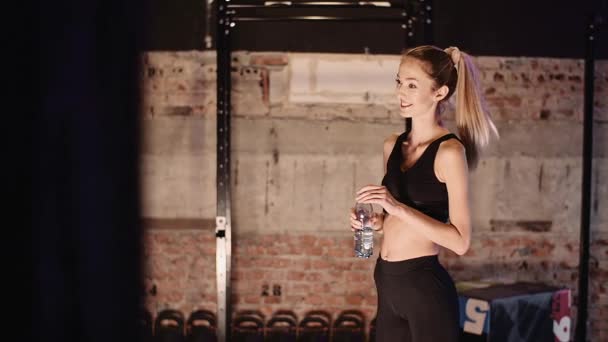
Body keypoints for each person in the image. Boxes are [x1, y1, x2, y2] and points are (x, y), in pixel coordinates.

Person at [350, 45, 499, 342]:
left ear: (439, 93)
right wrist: (377, 222)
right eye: (399, 82)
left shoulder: (449, 152)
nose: (400, 92)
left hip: (424, 286)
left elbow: (460, 241)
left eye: (412, 85)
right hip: (387, 280)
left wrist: (396, 207)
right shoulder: (392, 145)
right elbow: (397, 216)